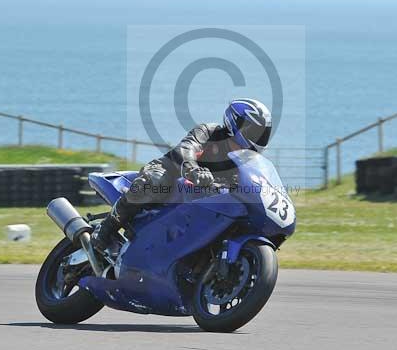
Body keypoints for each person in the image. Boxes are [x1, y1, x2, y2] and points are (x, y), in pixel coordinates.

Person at [91, 98, 272, 253]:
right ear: (236, 122)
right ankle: (106, 229)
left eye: (262, 133)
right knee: (154, 182)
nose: (258, 137)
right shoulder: (209, 132)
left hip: (200, 199)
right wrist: (193, 169)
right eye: (253, 131)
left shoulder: (245, 161)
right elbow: (185, 149)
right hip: (170, 173)